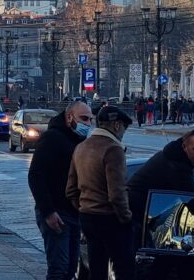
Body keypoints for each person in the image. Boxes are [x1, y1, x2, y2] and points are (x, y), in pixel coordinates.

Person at [27, 100, 93, 280]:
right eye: (84, 119)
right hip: (57, 213)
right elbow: (35, 175)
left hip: (72, 213)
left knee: (71, 269)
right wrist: (48, 211)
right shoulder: (52, 138)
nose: (87, 124)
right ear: (69, 117)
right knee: (59, 269)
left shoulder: (77, 140)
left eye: (90, 120)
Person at [66, 104, 133, 280]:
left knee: (96, 267)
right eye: (124, 128)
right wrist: (126, 218)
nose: (123, 133)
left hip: (87, 216)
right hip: (109, 217)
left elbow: (71, 189)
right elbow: (116, 193)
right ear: (117, 125)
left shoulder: (81, 147)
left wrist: (82, 208)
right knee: (124, 267)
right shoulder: (113, 149)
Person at [127, 128, 194, 242]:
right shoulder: (177, 166)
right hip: (133, 216)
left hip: (143, 214)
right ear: (184, 147)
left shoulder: (172, 157)